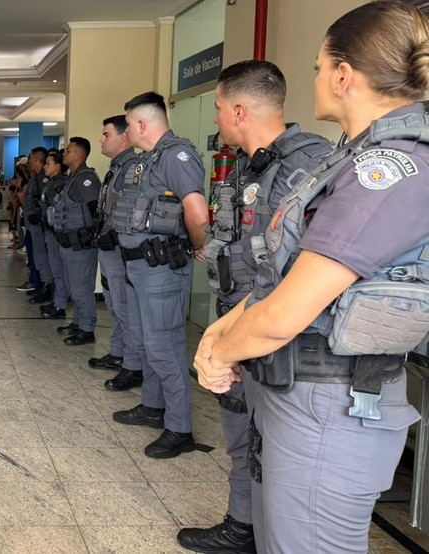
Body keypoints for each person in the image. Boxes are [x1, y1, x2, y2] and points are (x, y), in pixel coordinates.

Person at [195, 2, 428, 551]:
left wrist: (220, 352)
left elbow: (285, 313)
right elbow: (278, 276)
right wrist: (218, 332)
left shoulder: (388, 170)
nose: (317, 79)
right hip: (301, 393)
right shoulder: (351, 159)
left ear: (344, 75)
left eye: (320, 67)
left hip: (331, 403)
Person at [178, 61, 332, 553]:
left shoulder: (307, 166)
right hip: (237, 319)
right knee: (241, 431)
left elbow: (302, 271)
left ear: (239, 109)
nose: (217, 118)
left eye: (220, 108)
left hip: (275, 330)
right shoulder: (248, 164)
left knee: (274, 447)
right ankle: (243, 524)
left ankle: (260, 531)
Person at [110, 91, 208, 459]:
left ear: (140, 124)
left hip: (161, 269)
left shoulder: (177, 156)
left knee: (165, 347)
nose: (126, 132)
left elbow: (197, 214)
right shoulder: (148, 160)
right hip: (138, 267)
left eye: (129, 125)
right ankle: (153, 408)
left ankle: (179, 428)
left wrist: (198, 244)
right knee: (148, 342)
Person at [87, 116, 141, 383]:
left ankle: (133, 364)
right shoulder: (117, 168)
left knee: (123, 305)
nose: (102, 139)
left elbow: (132, 214)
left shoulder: (133, 169)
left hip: (120, 249)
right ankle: (118, 353)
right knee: (113, 303)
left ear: (123, 137)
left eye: (106, 134)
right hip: (108, 246)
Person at [51, 138, 102, 346]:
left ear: (79, 155)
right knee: (74, 287)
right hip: (68, 243)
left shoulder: (85, 179)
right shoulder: (73, 178)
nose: (64, 153)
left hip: (81, 245)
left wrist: (94, 236)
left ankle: (87, 329)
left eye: (68, 151)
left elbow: (95, 210)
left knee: (81, 289)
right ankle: (78, 322)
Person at [40, 149, 71, 320]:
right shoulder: (51, 182)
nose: (45, 167)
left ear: (58, 166)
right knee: (55, 269)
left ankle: (60, 305)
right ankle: (57, 301)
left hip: (56, 232)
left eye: (49, 164)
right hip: (49, 231)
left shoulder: (60, 183)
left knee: (59, 270)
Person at [24, 148, 54, 304]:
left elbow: (44, 202)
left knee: (42, 258)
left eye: (31, 159)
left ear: (36, 160)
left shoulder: (43, 179)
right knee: (37, 257)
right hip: (33, 225)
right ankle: (42, 285)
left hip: (40, 226)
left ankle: (46, 287)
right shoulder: (35, 177)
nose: (29, 162)